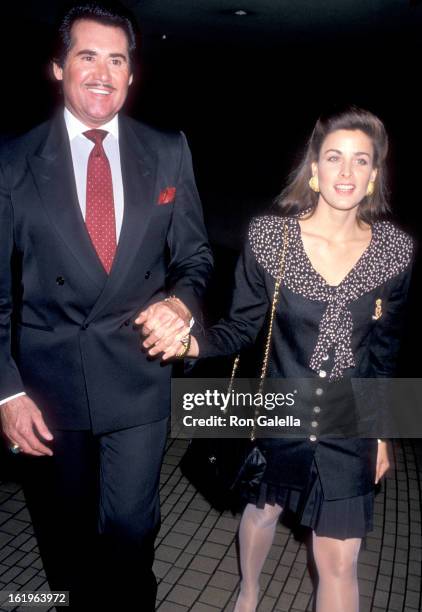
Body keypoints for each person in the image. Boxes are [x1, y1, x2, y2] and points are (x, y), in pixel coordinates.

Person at [143, 106, 414, 612]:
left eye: (361, 161)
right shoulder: (273, 238)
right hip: (279, 408)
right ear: (314, 168)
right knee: (262, 511)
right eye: (335, 158)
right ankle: (249, 591)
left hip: (347, 419)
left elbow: (384, 352)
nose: (347, 172)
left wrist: (381, 431)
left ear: (375, 174)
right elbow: (244, 326)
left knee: (339, 562)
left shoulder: (394, 252)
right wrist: (193, 343)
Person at [0, 3, 212, 610]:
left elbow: (195, 259)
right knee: (65, 542)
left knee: (130, 529)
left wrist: (180, 304)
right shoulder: (13, 162)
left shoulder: (168, 150)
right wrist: (6, 392)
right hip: (47, 389)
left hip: (137, 376)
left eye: (116, 59)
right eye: (86, 56)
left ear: (131, 74)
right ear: (57, 68)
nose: (102, 71)